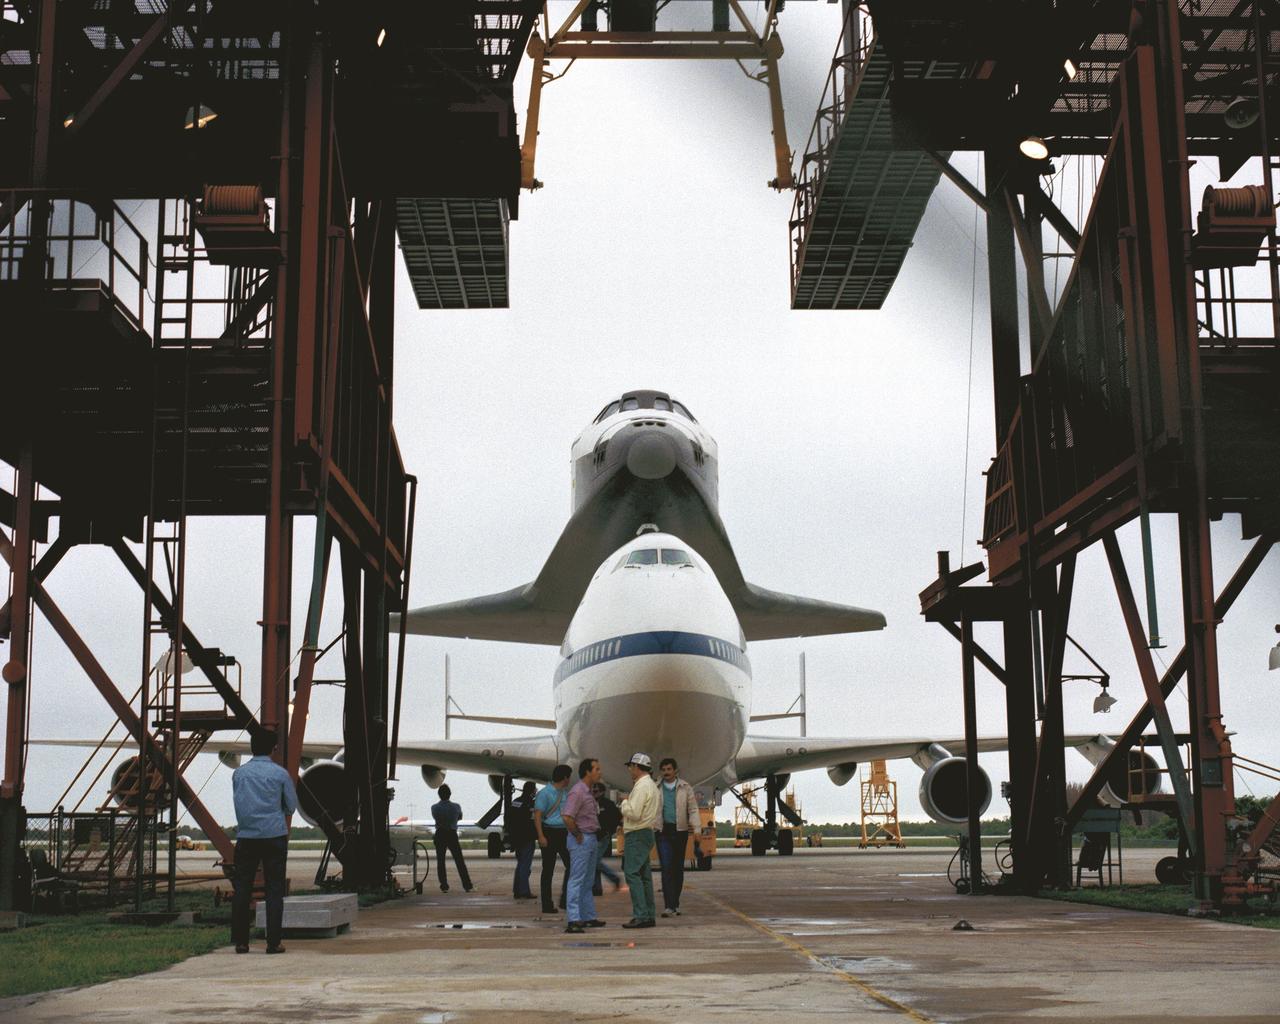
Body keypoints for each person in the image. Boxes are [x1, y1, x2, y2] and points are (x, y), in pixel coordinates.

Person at [230, 728, 298, 954]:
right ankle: (273, 942)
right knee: (274, 890)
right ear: (273, 748)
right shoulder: (280, 774)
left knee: (242, 889)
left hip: (247, 836)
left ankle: (241, 942)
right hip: (274, 836)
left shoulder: (239, 774)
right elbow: (290, 806)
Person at [562, 757, 606, 934]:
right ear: (587, 771)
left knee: (588, 881)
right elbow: (567, 816)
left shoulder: (588, 792)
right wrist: (577, 834)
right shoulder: (578, 791)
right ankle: (573, 918)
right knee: (577, 879)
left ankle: (588, 916)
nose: (599, 772)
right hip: (582, 839)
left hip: (591, 839)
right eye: (596, 769)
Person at [653, 756, 701, 917]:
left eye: (669, 769)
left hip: (680, 831)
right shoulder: (656, 787)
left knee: (677, 868)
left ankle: (675, 903)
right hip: (662, 831)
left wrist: (697, 829)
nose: (666, 772)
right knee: (666, 867)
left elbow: (693, 809)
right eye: (664, 770)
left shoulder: (685, 788)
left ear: (675, 771)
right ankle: (669, 905)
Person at [619, 752, 659, 929]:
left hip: (636, 833)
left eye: (630, 766)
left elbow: (634, 813)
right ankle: (649, 914)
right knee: (644, 877)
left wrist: (624, 802)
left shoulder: (641, 787)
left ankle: (641, 915)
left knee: (632, 874)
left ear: (636, 767)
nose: (629, 770)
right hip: (646, 832)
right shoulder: (651, 785)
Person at [534, 764, 573, 913]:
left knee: (571, 866)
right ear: (565, 777)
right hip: (549, 832)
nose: (569, 779)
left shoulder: (564, 793)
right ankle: (547, 904)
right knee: (548, 870)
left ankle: (565, 898)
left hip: (563, 832)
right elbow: (537, 815)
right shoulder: (545, 793)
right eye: (569, 776)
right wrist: (541, 836)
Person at [431, 784, 473, 893]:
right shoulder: (456, 806)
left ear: (439, 795)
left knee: (441, 861)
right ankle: (467, 885)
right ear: (450, 794)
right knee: (459, 861)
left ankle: (444, 885)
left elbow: (436, 818)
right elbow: (460, 817)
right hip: (452, 833)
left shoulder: (434, 807)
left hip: (440, 833)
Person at [508, 780, 538, 900]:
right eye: (535, 789)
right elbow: (533, 820)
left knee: (520, 864)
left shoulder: (516, 802)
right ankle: (524, 891)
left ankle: (517, 890)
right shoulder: (530, 804)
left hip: (516, 837)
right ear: (532, 791)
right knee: (525, 865)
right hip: (527, 837)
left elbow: (510, 819)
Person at [592, 782, 622, 896]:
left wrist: (610, 831)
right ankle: (597, 888)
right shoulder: (590, 803)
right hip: (593, 836)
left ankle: (614, 878)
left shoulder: (608, 804)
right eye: (592, 791)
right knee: (595, 861)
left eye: (596, 791)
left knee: (594, 861)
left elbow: (618, 817)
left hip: (603, 836)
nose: (594, 793)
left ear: (602, 792)